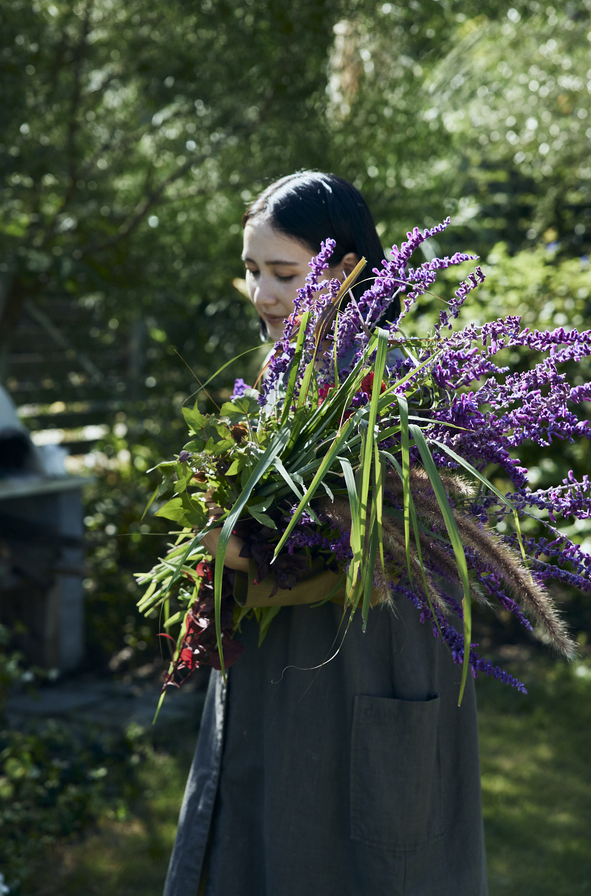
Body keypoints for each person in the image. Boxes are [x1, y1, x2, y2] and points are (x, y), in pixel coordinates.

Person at [163, 172, 487, 896]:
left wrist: (237, 552)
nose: (261, 293)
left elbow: (393, 560)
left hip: (364, 681)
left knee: (346, 863)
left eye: (283, 273)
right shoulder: (284, 375)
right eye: (251, 271)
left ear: (346, 272)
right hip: (280, 681)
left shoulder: (397, 389)